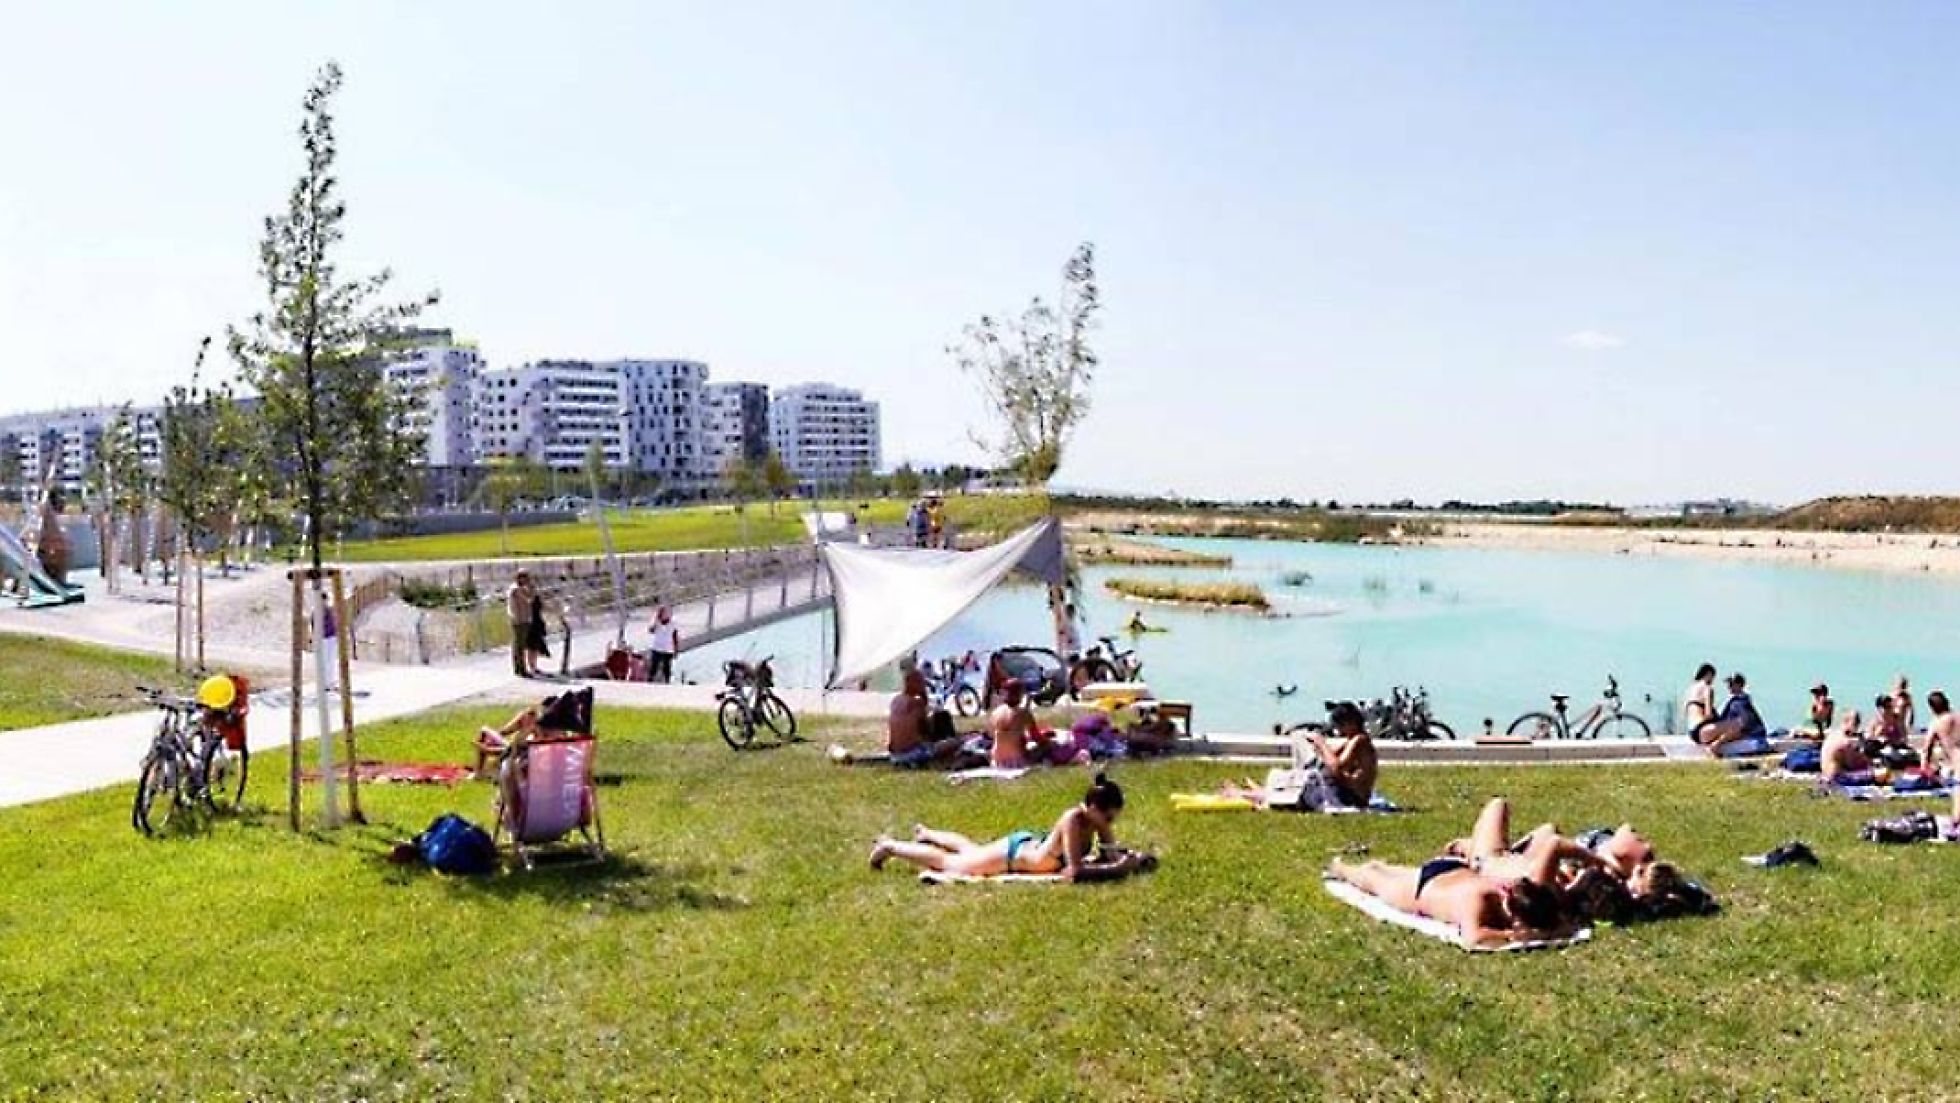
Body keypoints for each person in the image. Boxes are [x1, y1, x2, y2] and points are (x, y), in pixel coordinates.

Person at [869, 773, 1148, 882]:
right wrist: (1120, 868)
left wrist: (1126, 855)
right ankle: (891, 846)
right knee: (952, 863)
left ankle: (928, 834)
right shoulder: (1074, 819)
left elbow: (1109, 852)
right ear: (1093, 808)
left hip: (1026, 848)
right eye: (1109, 819)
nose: (1111, 825)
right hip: (1014, 857)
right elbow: (1074, 872)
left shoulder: (1092, 820)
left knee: (971, 850)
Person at [1327, 845, 1572, 949]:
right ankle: (1341, 868)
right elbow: (1473, 938)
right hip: (1425, 890)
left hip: (1454, 871)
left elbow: (1560, 922)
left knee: (1393, 873)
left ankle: (1379, 865)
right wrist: (1515, 936)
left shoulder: (1527, 896)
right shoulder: (1479, 900)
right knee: (1372, 882)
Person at [1303, 701, 1379, 809]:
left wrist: (1322, 743)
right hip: (1349, 793)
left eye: (1340, 725)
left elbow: (1337, 767)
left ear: (1351, 722)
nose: (1338, 729)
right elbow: (1330, 758)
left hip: (1354, 797)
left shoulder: (1360, 740)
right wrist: (1318, 747)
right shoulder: (1351, 741)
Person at [887, 667, 962, 768]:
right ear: (915, 683)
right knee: (955, 742)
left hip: (895, 755)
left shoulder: (895, 701)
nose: (924, 685)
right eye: (922, 682)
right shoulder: (917, 703)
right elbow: (926, 730)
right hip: (913, 754)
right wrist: (924, 696)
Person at [1695, 673, 1769, 756]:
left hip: (1747, 734)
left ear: (1739, 685)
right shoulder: (1738, 700)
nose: (1729, 687)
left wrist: (1719, 740)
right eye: (1728, 684)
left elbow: (1743, 724)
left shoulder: (1739, 703)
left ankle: (1716, 745)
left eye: (1731, 684)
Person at [988, 679, 1042, 768]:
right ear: (1019, 694)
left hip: (996, 761)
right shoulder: (1024, 713)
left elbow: (992, 735)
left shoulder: (995, 713)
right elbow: (1037, 738)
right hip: (1016, 760)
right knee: (1044, 748)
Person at [1823, 710, 1875, 785]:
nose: (1857, 726)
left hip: (1826, 774)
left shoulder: (1833, 735)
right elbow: (1852, 765)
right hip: (1838, 778)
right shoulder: (1845, 742)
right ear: (1846, 721)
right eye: (1856, 723)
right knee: (1881, 774)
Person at [506, 570, 538, 677]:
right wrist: (531, 588)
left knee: (520, 645)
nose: (527, 580)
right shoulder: (516, 589)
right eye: (525, 577)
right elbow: (529, 599)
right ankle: (521, 669)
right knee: (519, 646)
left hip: (523, 619)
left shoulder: (520, 589)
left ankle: (520, 668)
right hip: (519, 620)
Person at [1921, 691, 1958, 778]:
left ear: (1932, 708)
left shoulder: (1936, 723)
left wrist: (1924, 770)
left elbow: (1926, 750)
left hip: (1956, 772)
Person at [1682, 663, 1718, 735]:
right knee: (1734, 725)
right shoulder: (1707, 688)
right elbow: (1708, 714)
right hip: (1702, 728)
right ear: (1709, 674)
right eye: (1713, 676)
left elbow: (1684, 712)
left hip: (1691, 729)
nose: (1713, 680)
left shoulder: (1689, 690)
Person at [646, 605, 679, 684]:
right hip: (657, 647)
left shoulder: (673, 623)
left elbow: (675, 637)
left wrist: (676, 650)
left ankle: (667, 682)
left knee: (667, 667)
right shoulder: (656, 621)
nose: (665, 615)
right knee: (654, 666)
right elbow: (651, 631)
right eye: (663, 613)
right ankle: (650, 681)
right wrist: (656, 623)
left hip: (668, 648)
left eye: (666, 613)